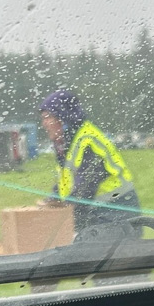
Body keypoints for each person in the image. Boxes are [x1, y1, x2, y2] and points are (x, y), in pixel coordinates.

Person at [38, 89, 140, 239]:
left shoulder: (87, 141)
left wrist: (65, 217)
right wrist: (53, 198)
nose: (44, 123)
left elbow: (85, 188)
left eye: (48, 117)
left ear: (63, 118)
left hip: (117, 212)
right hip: (98, 212)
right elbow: (66, 181)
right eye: (43, 118)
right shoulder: (66, 143)